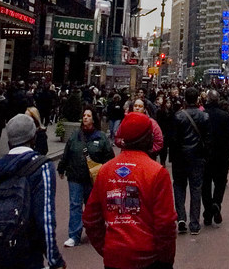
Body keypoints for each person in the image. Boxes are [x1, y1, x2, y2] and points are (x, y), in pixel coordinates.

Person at [84, 111, 176, 269]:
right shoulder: (157, 173)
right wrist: (166, 259)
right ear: (145, 138)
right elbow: (165, 224)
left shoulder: (106, 170)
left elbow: (91, 218)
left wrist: (106, 248)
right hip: (148, 258)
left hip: (115, 257)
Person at [0, 112, 65, 269]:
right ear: (33, 138)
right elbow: (45, 219)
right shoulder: (42, 167)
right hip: (26, 254)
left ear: (9, 141)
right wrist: (55, 260)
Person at [57, 106, 114, 247]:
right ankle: (74, 235)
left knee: (92, 206)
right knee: (75, 205)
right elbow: (67, 152)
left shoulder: (101, 137)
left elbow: (109, 157)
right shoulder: (75, 136)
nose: (85, 117)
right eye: (84, 115)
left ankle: (94, 231)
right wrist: (62, 167)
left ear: (93, 119)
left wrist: (105, 171)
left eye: (88, 115)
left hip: (92, 179)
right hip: (75, 176)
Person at [170, 86, 211, 234]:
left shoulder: (178, 116)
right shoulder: (204, 117)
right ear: (197, 99)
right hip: (197, 157)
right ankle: (194, 223)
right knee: (196, 188)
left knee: (179, 186)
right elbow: (208, 139)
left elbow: (173, 139)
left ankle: (181, 217)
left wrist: (173, 157)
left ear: (185, 99)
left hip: (180, 157)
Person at [201, 89, 229, 226]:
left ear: (207, 100)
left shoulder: (203, 115)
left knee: (205, 185)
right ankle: (216, 203)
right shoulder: (225, 116)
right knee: (220, 183)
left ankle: (208, 211)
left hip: (205, 155)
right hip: (221, 155)